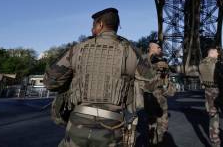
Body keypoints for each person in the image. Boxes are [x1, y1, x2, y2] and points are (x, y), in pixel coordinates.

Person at [43, 8, 154, 147]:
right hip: (114, 126)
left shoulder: (77, 49)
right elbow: (152, 85)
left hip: (78, 123)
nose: (91, 29)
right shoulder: (132, 52)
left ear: (100, 25)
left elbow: (50, 83)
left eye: (93, 26)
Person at [199, 45, 223, 147]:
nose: (218, 54)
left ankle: (215, 144)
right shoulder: (217, 64)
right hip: (220, 93)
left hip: (208, 94)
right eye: (217, 53)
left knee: (213, 120)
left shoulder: (201, 64)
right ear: (212, 53)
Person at [146, 55, 176, 146]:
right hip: (152, 109)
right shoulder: (148, 74)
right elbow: (146, 88)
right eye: (159, 65)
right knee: (152, 136)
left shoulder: (165, 76)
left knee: (163, 134)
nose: (161, 68)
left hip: (163, 111)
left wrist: (165, 84)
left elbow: (171, 93)